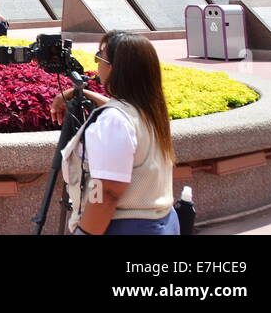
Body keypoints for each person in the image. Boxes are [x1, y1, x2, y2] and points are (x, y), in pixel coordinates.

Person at [54, 31, 179, 236]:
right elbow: (122, 112)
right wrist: (83, 93)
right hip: (160, 224)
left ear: (116, 68)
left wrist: (84, 232)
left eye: (99, 57)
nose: (97, 65)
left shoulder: (113, 121)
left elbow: (107, 192)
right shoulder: (150, 110)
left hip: (122, 227)